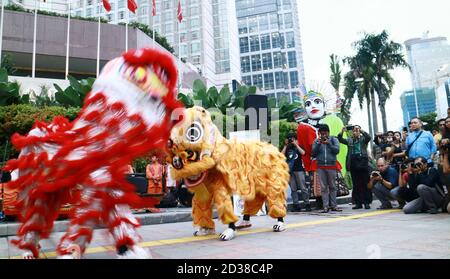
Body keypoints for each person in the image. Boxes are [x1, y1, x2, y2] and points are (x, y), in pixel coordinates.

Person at [338, 125, 372, 209]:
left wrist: (361, 130)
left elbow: (369, 137)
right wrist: (342, 131)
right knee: (356, 184)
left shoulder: (363, 139)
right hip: (353, 162)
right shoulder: (349, 140)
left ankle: (366, 202)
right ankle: (358, 203)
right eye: (354, 131)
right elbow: (340, 139)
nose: (355, 132)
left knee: (364, 183)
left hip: (363, 162)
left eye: (357, 131)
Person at [311, 124, 341, 213]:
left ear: (328, 132)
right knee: (323, 188)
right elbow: (313, 153)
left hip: (331, 165)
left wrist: (329, 144)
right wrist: (319, 144)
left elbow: (337, 150)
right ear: (319, 133)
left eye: (325, 133)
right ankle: (325, 207)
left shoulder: (334, 139)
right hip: (320, 166)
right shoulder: (316, 141)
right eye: (321, 133)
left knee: (332, 186)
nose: (323, 135)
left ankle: (334, 206)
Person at [282, 133, 311, 212]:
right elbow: (281, 155)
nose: (291, 140)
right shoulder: (287, 147)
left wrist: (296, 145)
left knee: (303, 187)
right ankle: (296, 204)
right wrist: (285, 145)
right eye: (289, 139)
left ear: (295, 139)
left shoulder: (299, 146)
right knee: (293, 188)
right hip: (290, 170)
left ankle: (307, 203)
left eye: (292, 139)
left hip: (299, 169)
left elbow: (303, 153)